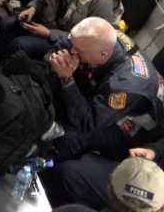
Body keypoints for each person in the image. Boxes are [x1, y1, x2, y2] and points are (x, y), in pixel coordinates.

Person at [42, 18, 164, 205]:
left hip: (133, 129)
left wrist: (67, 79)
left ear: (103, 54)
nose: (73, 51)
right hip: (108, 100)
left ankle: (42, 175)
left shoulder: (128, 85)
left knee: (71, 138)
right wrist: (56, 59)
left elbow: (88, 121)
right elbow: (65, 44)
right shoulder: (98, 37)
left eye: (78, 51)